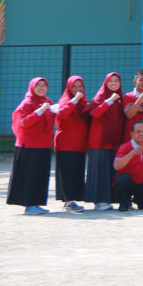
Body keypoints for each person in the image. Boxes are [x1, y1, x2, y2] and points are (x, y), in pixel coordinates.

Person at [7, 77, 55, 215]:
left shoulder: (47, 101)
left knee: (40, 174)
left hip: (43, 144)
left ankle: (36, 203)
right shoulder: (27, 103)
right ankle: (29, 204)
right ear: (32, 87)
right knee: (30, 174)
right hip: (29, 145)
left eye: (44, 85)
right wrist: (40, 111)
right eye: (38, 85)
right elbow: (24, 122)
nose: (41, 88)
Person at [85, 73, 125, 210]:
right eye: (110, 81)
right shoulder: (101, 96)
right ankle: (99, 201)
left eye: (116, 80)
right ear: (106, 83)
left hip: (113, 141)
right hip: (99, 142)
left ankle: (108, 200)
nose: (114, 83)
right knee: (100, 171)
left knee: (110, 171)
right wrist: (108, 101)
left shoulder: (120, 98)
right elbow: (94, 113)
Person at [54, 75, 90, 213]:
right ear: (69, 88)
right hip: (66, 144)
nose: (78, 89)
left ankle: (73, 200)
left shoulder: (83, 102)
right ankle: (68, 202)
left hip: (79, 144)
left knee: (76, 172)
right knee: (67, 173)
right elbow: (63, 114)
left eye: (80, 86)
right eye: (74, 86)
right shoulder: (65, 100)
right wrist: (74, 100)